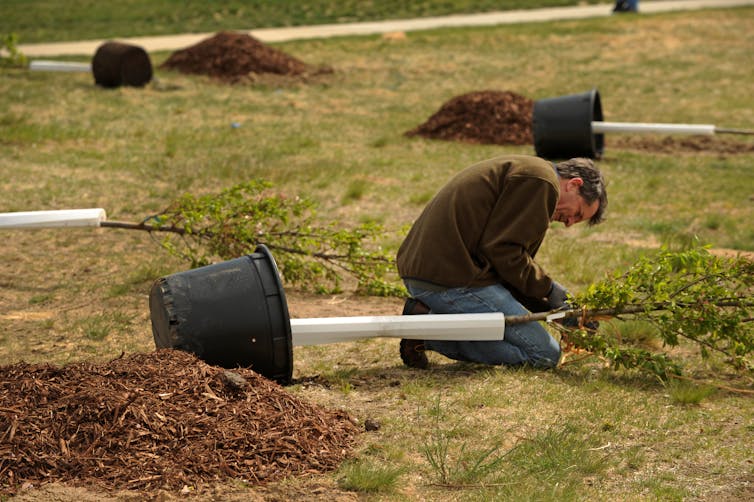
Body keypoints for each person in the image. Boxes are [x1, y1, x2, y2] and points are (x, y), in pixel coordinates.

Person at [396, 154, 607, 370]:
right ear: (574, 184)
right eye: (577, 214)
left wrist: (555, 311)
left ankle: (428, 323)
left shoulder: (535, 174)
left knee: (521, 342)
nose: (570, 223)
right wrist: (550, 288)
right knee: (544, 356)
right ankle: (423, 331)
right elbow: (505, 253)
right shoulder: (542, 183)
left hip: (435, 270)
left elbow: (507, 267)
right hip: (449, 278)